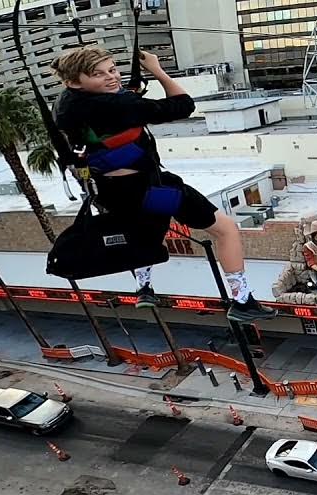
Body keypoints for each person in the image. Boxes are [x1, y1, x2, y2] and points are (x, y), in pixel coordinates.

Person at [51, 46, 275, 323]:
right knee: (226, 229)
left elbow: (111, 114)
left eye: (112, 70)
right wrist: (156, 69)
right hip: (148, 189)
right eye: (99, 74)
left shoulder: (65, 103)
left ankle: (144, 287)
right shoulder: (118, 106)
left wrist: (126, 93)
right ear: (75, 81)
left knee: (146, 235)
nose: (111, 77)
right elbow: (183, 105)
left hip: (109, 192)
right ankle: (242, 300)